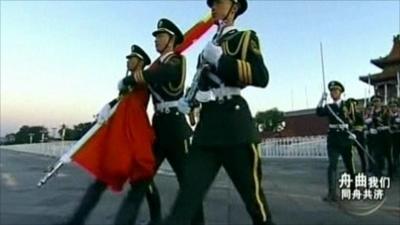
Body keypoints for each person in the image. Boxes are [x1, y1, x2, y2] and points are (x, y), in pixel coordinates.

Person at [164, 0, 274, 224]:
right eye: (212, 3)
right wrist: (191, 100)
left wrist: (221, 60)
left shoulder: (244, 38)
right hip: (208, 128)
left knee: (254, 201)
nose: (213, 7)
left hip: (236, 126)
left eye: (219, 2)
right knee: (188, 196)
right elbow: (200, 82)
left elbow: (262, 76)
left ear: (233, 7)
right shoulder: (206, 48)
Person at [115, 19, 204, 225]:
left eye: (160, 37)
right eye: (155, 37)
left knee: (188, 183)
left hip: (176, 129)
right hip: (159, 128)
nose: (156, 41)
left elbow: (163, 74)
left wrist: (131, 79)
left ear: (171, 40)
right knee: (142, 178)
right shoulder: (153, 68)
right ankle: (151, 219)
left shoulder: (176, 61)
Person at [59, 45, 159, 225]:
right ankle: (76, 221)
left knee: (142, 182)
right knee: (104, 182)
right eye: (128, 58)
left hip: (134, 139)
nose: (128, 61)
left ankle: (155, 219)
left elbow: (134, 89)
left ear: (141, 62)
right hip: (120, 139)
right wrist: (109, 104)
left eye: (132, 58)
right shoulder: (128, 83)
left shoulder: (141, 80)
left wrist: (125, 84)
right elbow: (122, 100)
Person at [316, 81, 355, 202]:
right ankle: (332, 193)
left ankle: (353, 190)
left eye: (336, 90)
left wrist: (353, 132)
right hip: (333, 139)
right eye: (332, 91)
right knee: (332, 166)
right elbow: (318, 112)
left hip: (345, 138)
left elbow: (354, 119)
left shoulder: (348, 105)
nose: (334, 93)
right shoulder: (328, 107)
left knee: (349, 165)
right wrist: (321, 100)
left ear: (341, 92)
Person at [364, 95, 393, 177]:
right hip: (376, 135)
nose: (376, 103)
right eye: (374, 101)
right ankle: (378, 173)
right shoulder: (372, 112)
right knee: (377, 154)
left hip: (385, 134)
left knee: (388, 155)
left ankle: (390, 173)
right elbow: (367, 121)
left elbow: (391, 118)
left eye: (378, 101)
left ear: (381, 102)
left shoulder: (386, 110)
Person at [346, 98, 367, 173]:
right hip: (351, 135)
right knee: (349, 154)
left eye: (353, 105)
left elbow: (362, 124)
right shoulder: (347, 114)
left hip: (359, 135)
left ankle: (364, 170)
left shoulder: (358, 113)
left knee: (361, 154)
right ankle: (351, 170)